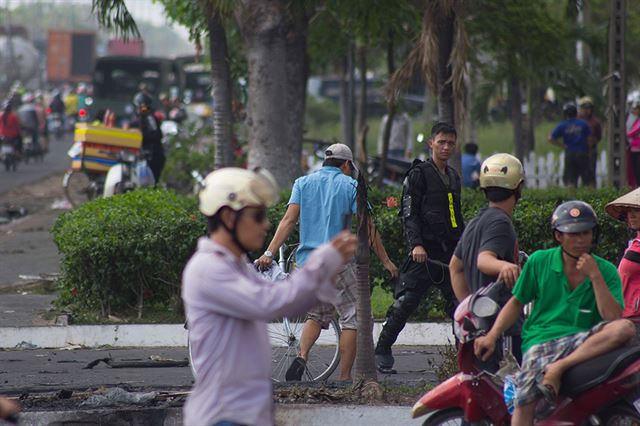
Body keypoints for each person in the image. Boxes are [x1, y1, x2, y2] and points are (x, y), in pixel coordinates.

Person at [182, 167, 358, 426]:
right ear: (229, 217)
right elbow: (274, 303)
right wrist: (325, 259)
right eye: (258, 216)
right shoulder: (209, 268)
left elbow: (287, 297)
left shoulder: (238, 265)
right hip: (223, 416)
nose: (265, 225)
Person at [474, 201, 635, 426]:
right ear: (559, 236)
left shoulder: (605, 270)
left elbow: (612, 318)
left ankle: (559, 367)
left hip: (585, 340)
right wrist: (492, 336)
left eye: (585, 233)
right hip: (543, 341)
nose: (580, 240)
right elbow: (516, 303)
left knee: (625, 328)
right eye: (573, 234)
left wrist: (595, 276)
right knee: (524, 401)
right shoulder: (540, 262)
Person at [257, 143, 398, 382]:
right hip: (339, 263)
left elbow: (288, 220)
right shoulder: (351, 185)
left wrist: (269, 253)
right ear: (345, 165)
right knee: (351, 318)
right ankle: (345, 378)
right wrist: (386, 260)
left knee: (316, 314)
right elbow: (368, 227)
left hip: (307, 264)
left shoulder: (302, 183)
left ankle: (301, 356)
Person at [375, 122, 465, 373]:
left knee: (460, 306)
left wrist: (464, 244)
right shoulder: (418, 173)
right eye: (441, 142)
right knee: (406, 302)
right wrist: (416, 244)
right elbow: (409, 212)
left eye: (450, 143)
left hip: (450, 253)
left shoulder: (454, 176)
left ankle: (463, 359)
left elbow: (455, 214)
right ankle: (382, 348)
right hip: (423, 252)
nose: (446, 147)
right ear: (431, 143)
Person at [449, 153, 525, 362]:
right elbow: (484, 260)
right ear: (519, 186)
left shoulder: (477, 220)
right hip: (503, 331)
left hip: (482, 327)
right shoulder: (500, 222)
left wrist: (469, 306)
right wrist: (505, 267)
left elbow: (455, 267)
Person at [606, 187, 640, 319]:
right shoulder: (634, 243)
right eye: (629, 211)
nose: (631, 215)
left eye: (637, 210)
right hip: (621, 313)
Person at [549, 102, 592, 188]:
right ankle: (590, 198)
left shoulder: (562, 125)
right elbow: (589, 139)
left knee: (571, 181)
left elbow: (551, 138)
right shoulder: (583, 123)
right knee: (587, 180)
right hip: (582, 153)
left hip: (570, 154)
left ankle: (571, 199)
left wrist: (562, 145)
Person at [129, 92, 165, 183]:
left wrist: (140, 135)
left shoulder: (149, 118)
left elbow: (156, 135)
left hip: (152, 155)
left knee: (150, 183)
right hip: (145, 154)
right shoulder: (141, 118)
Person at [578, 96, 602, 187]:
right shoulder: (576, 121)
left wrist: (592, 141)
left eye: (589, 108)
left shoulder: (595, 122)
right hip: (578, 150)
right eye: (585, 108)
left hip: (590, 150)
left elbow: (598, 137)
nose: (587, 110)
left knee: (591, 174)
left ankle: (591, 193)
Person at [627, 102, 640, 187]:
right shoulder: (635, 120)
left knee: (637, 172)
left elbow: (630, 133)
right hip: (634, 149)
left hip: (638, 150)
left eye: (636, 109)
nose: (634, 111)